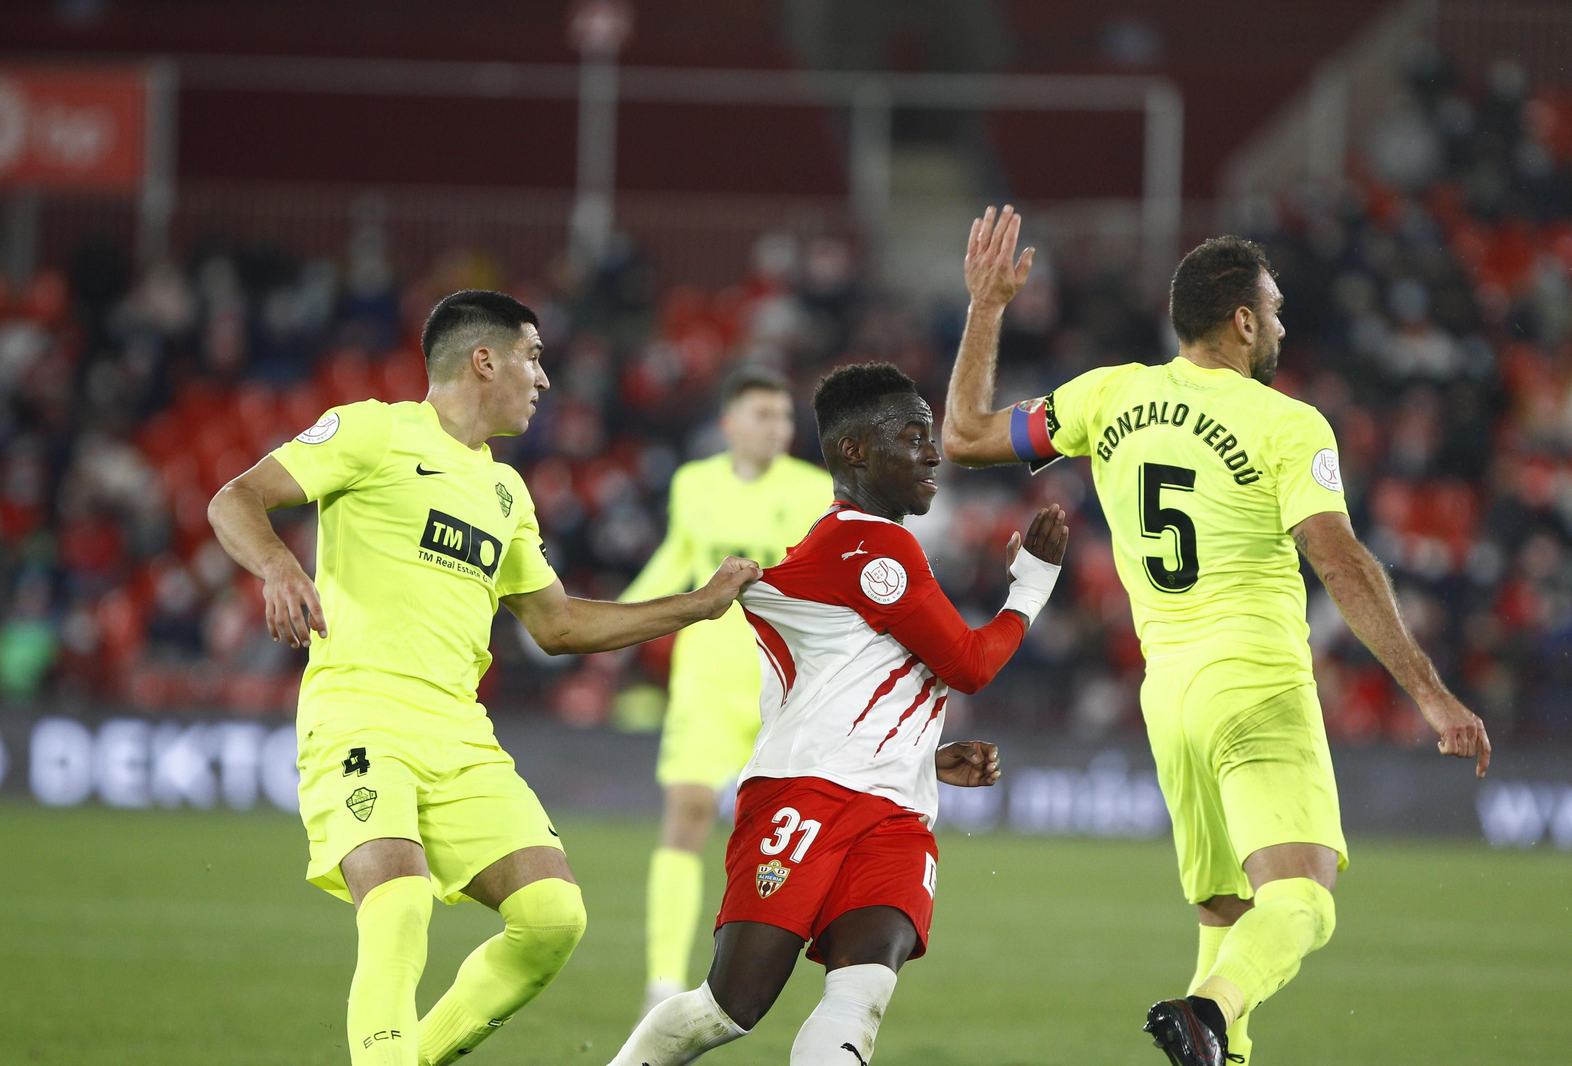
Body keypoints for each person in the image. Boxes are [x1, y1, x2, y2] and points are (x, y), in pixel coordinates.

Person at [941, 209, 1492, 1065]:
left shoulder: (1107, 395)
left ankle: (1212, 1033)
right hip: (1257, 683)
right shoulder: (1287, 423)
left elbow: (964, 436)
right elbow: (1340, 562)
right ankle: (1208, 1012)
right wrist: (1433, 693)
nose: (1280, 323)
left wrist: (985, 308)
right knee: (1305, 902)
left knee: (1228, 915)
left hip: (1170, 700)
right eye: (1272, 311)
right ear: (1241, 322)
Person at [206, 289, 761, 1066]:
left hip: (460, 733)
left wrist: (700, 606)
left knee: (553, 917)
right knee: (397, 904)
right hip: (360, 715)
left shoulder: (505, 492)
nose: (544, 379)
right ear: (484, 359)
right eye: (534, 358)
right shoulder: (374, 430)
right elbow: (235, 498)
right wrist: (278, 566)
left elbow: (558, 624)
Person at [605, 361, 1069, 1066]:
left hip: (895, 813)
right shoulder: (867, 544)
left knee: (860, 998)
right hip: (806, 796)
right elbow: (970, 663)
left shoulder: (864, 544)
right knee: (729, 1010)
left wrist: (917, 752)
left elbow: (862, 663)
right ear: (856, 451)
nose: (934, 451)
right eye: (914, 436)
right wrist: (1031, 586)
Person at [620, 365, 834, 1014]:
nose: (778, 429)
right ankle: (662, 980)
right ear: (729, 424)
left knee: (792, 839)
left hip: (788, 686)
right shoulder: (693, 485)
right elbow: (677, 559)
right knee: (685, 816)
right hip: (708, 679)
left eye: (785, 418)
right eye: (764, 416)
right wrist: (616, 618)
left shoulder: (815, 490)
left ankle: (808, 975)